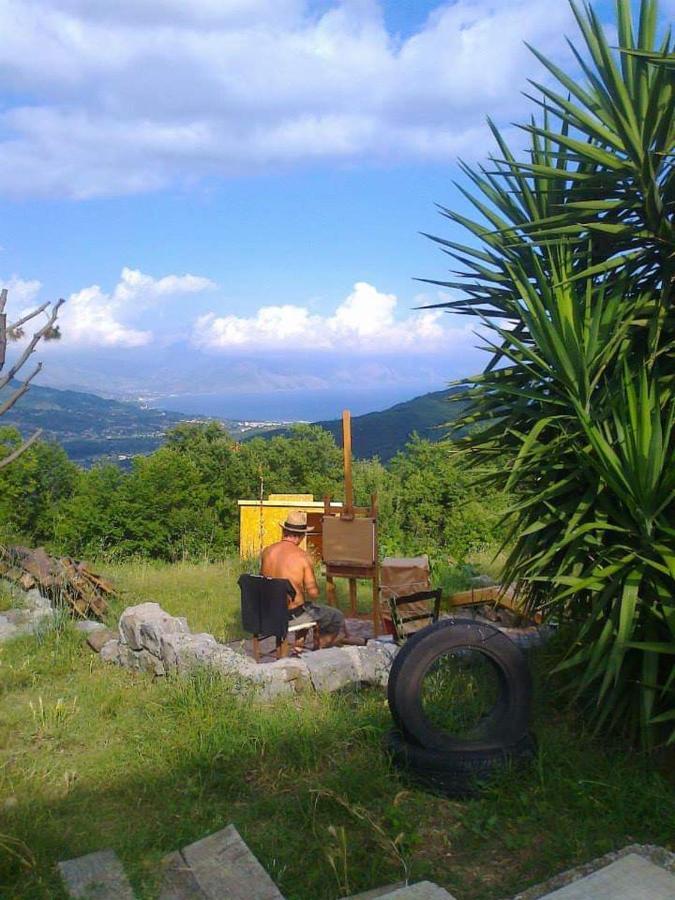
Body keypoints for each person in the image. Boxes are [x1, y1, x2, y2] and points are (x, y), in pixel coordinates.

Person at [260, 510, 346, 649]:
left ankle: (298, 647)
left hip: (267, 612)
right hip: (288, 616)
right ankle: (318, 653)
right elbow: (314, 593)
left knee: (305, 607)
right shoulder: (302, 557)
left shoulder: (267, 551)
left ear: (284, 531)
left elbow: (263, 580)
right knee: (335, 616)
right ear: (302, 536)